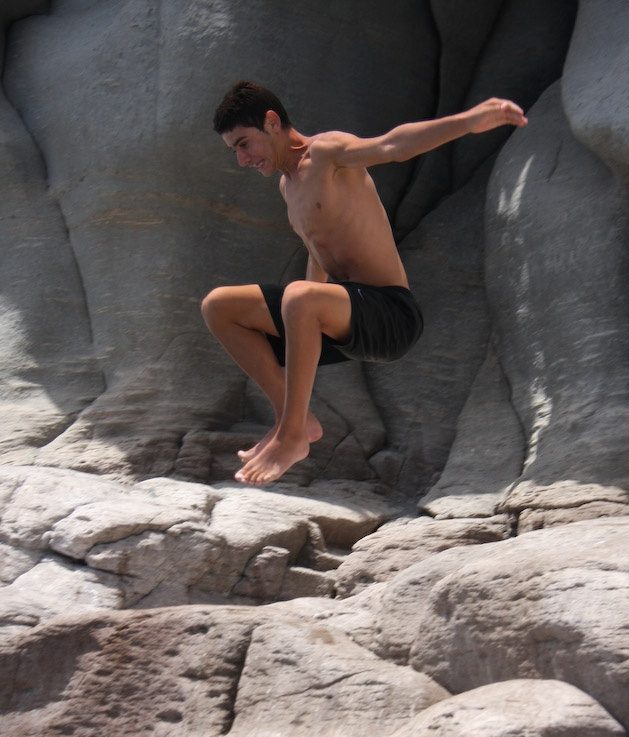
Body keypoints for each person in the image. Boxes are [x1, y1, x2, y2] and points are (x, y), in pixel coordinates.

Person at [201, 80, 527, 486]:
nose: (242, 159)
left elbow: (393, 145)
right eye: (234, 150)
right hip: (344, 315)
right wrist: (302, 321)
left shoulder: (326, 153)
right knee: (219, 306)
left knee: (299, 297)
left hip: (391, 314)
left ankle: (291, 436)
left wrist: (468, 122)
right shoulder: (289, 186)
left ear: (271, 122)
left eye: (244, 144)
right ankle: (294, 420)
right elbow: (317, 256)